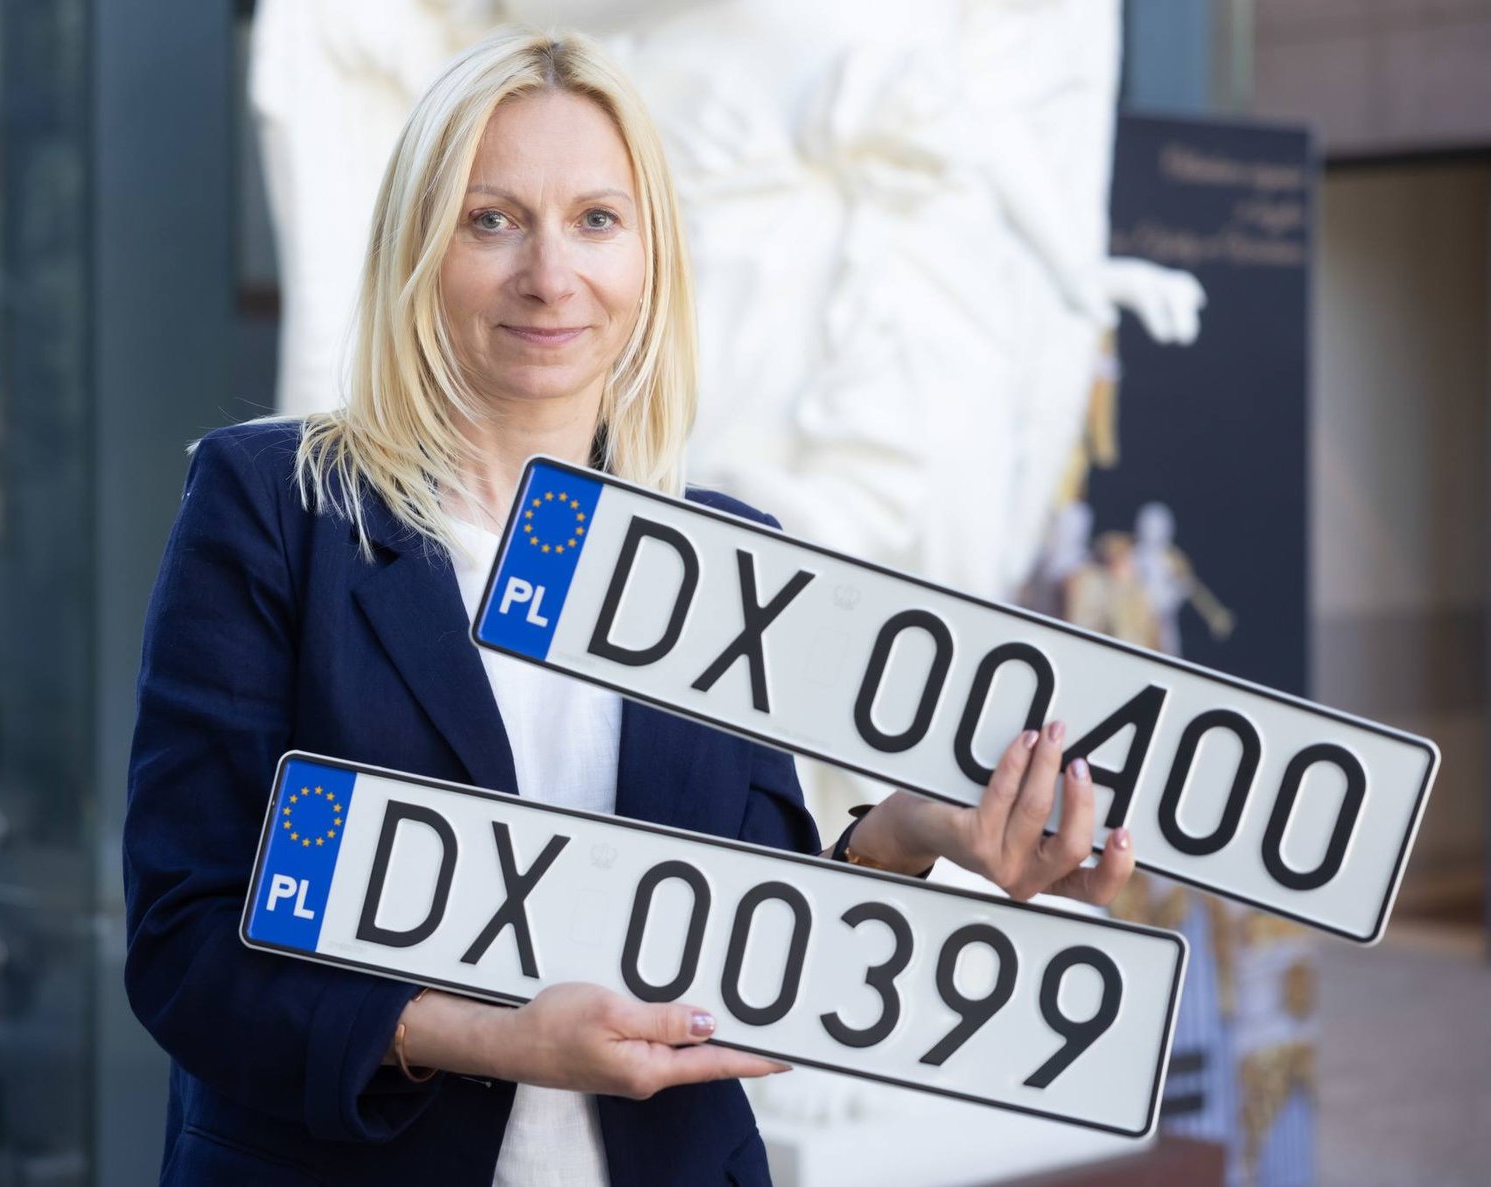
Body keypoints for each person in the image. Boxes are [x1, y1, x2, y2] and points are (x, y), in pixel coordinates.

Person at [123, 27, 1137, 1187]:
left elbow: (752, 927)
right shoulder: (276, 506)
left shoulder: (721, 561)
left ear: (651, 256)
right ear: (419, 245)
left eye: (597, 220)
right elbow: (185, 941)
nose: (551, 275)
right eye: (491, 219)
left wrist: (906, 838)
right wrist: (493, 1036)